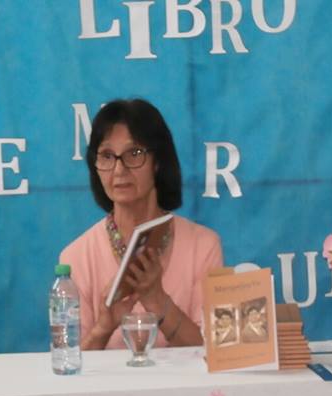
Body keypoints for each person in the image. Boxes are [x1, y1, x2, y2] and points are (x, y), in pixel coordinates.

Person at [60, 99, 223, 350]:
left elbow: (215, 353)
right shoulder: (75, 257)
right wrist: (104, 327)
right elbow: (68, 363)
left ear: (158, 162)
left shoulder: (204, 246)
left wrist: (158, 301)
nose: (119, 169)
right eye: (107, 156)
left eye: (134, 154)